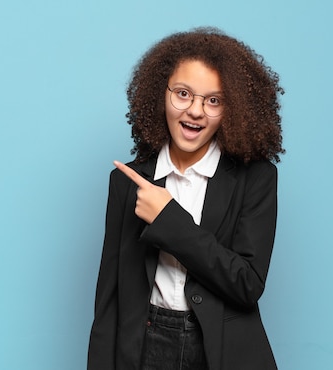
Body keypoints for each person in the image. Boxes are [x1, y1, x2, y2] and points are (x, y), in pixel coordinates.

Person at [88, 27, 285, 370]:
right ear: (159, 95)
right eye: (183, 94)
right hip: (145, 346)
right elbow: (109, 299)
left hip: (221, 351)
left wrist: (168, 221)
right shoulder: (127, 182)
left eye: (213, 100)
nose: (195, 111)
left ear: (232, 109)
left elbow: (247, 284)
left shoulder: (256, 178)